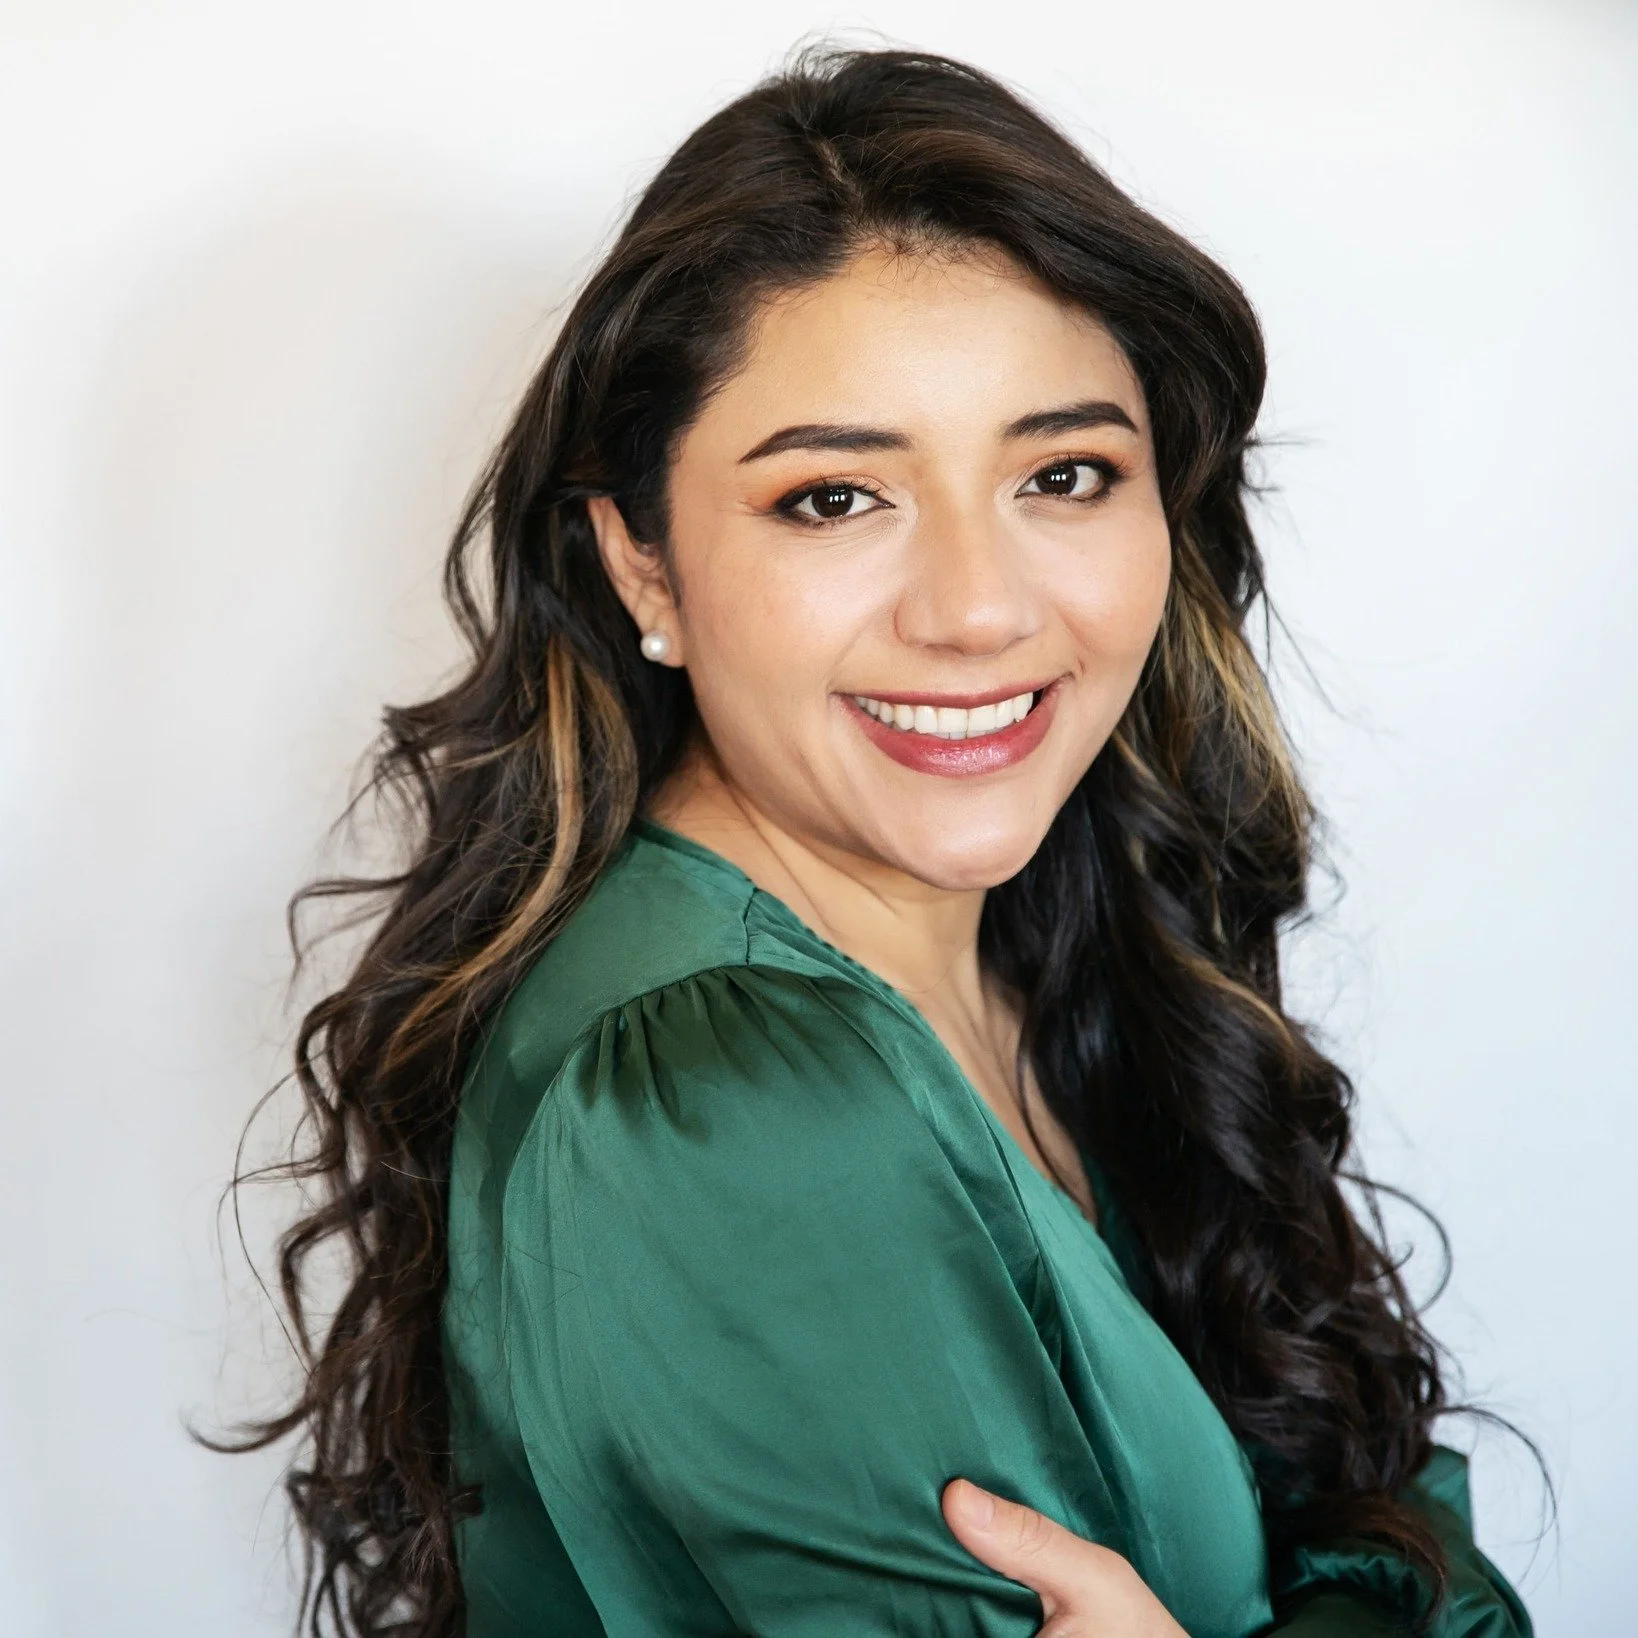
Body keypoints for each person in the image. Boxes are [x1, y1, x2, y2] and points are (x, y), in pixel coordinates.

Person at [229, 46, 1534, 1638]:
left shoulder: (1056, 949)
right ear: (642, 565)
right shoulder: (725, 1096)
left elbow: (1402, 1528)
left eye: (1063, 474)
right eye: (835, 498)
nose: (977, 608)